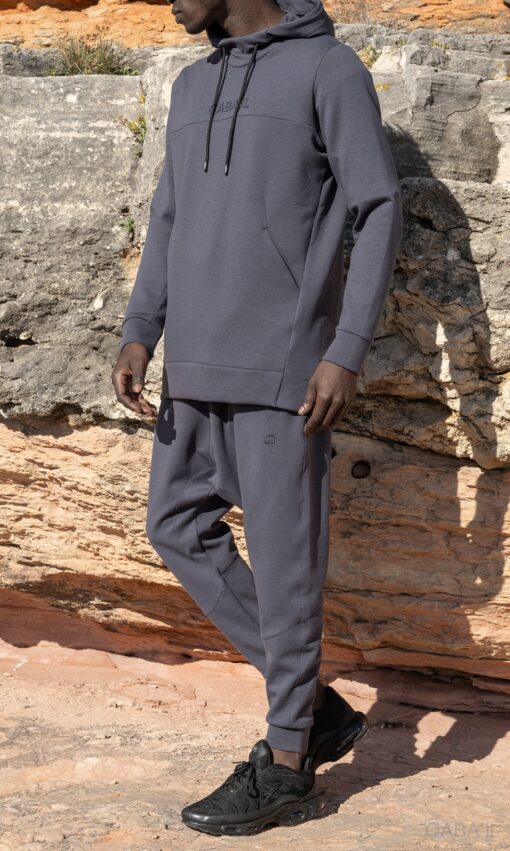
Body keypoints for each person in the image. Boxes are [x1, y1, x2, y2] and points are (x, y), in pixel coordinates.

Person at [112, 0, 403, 836]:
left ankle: (286, 765)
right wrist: (140, 328)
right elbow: (167, 217)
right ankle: (311, 706)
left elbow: (379, 204)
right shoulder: (190, 86)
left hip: (286, 370)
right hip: (193, 365)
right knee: (174, 525)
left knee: (286, 571)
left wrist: (346, 348)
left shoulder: (328, 70)